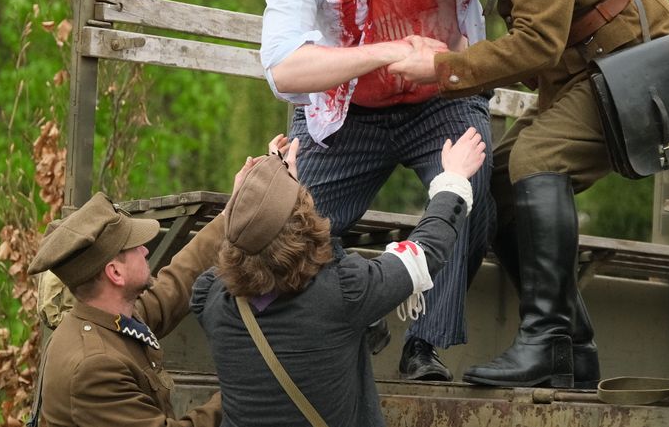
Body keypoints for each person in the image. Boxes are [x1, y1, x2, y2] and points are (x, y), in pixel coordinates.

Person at [260, 0, 628, 382]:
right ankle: (356, 316)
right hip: (349, 112)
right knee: (288, 225)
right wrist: (385, 54)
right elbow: (284, 69)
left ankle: (425, 347)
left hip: (441, 97)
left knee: (471, 184)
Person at [389, 0, 669, 390]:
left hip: (638, 65)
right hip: (588, 68)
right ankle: (573, 347)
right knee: (499, 182)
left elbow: (537, 45)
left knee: (536, 157)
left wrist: (444, 69)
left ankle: (546, 343)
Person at [192, 129, 486, 427]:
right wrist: (454, 178)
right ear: (303, 226)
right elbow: (427, 251)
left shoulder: (213, 301)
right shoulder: (344, 293)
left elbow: (248, 241)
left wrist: (255, 198)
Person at [27, 193, 225, 427]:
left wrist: (229, 217)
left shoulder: (106, 320)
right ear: (115, 273)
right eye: (135, 246)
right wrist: (251, 388)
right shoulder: (93, 368)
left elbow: (170, 290)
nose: (145, 251)